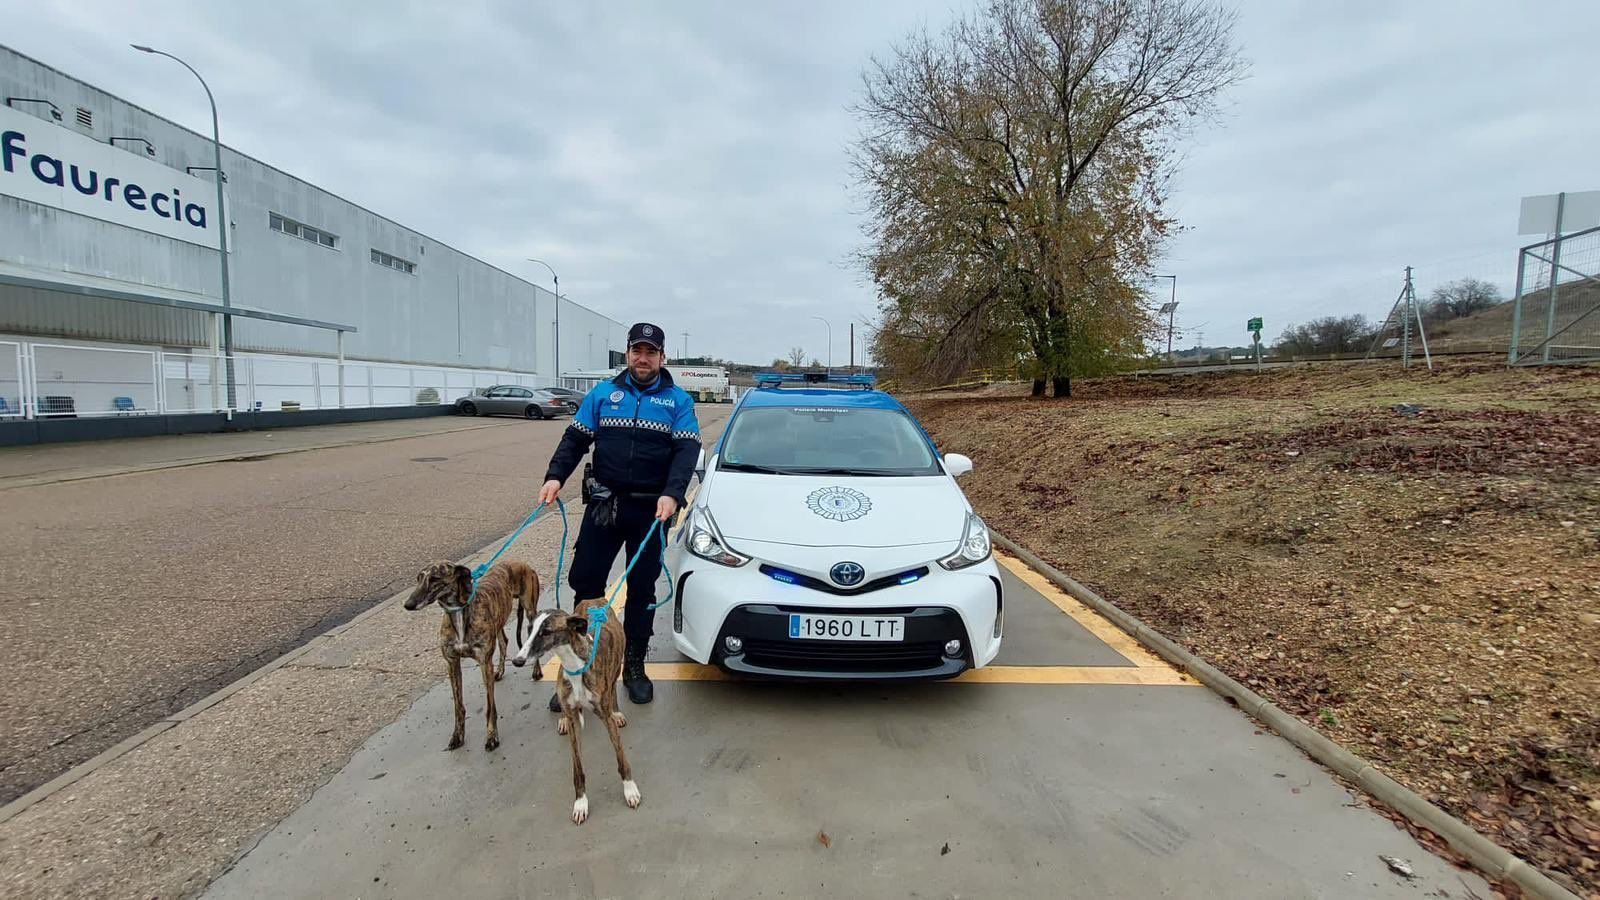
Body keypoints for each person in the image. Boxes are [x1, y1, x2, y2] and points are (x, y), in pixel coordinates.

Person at [538, 322, 700, 705]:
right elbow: (575, 439)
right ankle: (579, 667)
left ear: (663, 357)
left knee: (642, 590)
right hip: (604, 504)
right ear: (628, 353)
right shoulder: (603, 394)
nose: (643, 359)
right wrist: (555, 477)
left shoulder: (678, 401)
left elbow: (686, 453)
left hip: (651, 510)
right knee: (586, 583)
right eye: (637, 351)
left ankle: (633, 664)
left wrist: (673, 494)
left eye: (651, 352)